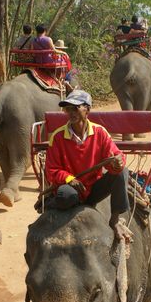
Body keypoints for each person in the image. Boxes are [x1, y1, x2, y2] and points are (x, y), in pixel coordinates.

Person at [45, 89, 131, 242]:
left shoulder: (100, 133)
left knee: (122, 171)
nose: (71, 112)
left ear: (88, 109)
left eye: (76, 108)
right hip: (72, 189)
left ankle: (115, 219)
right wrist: (69, 179)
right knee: (65, 196)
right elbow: (51, 170)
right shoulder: (57, 137)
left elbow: (115, 156)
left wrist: (117, 163)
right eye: (68, 109)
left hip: (94, 187)